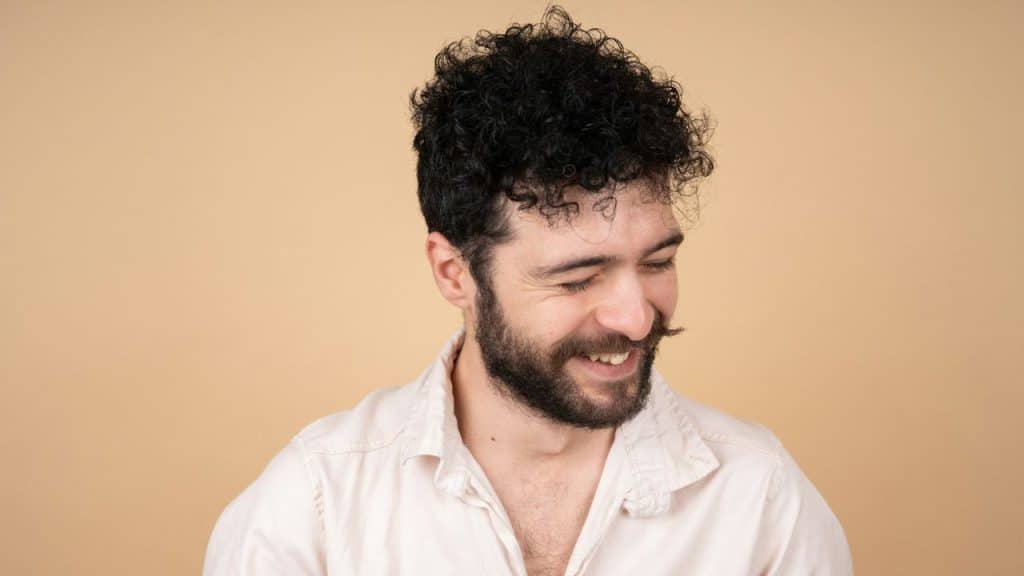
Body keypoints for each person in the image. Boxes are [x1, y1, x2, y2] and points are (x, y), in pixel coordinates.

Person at [203, 6, 853, 575]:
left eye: (657, 261)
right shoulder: (313, 507)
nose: (633, 317)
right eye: (578, 277)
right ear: (454, 274)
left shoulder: (759, 498)